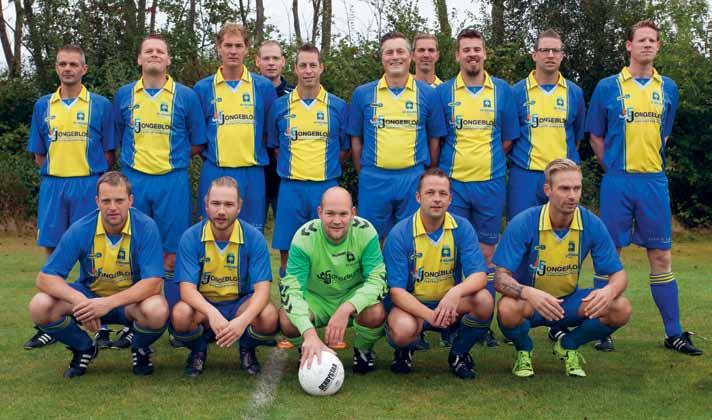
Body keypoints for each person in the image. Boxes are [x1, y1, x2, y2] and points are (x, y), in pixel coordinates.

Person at [586, 20, 701, 355]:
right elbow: (595, 135)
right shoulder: (608, 87)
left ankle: (674, 332)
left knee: (661, 254)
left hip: (653, 181)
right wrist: (616, 169)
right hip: (617, 180)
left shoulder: (669, 88)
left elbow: (663, 135)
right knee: (609, 256)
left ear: (658, 47)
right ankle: (601, 327)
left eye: (653, 40)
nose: (647, 45)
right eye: (641, 40)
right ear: (629, 46)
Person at [493, 159, 632, 377]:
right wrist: (528, 292)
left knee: (620, 307)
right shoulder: (524, 222)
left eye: (577, 188)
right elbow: (499, 278)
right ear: (547, 190)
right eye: (564, 188)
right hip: (530, 303)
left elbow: (619, 274)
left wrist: (610, 290)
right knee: (506, 309)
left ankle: (568, 344)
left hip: (567, 302)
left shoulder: (591, 223)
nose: (572, 195)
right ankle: (524, 351)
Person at [28, 172, 168, 377]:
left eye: (119, 200)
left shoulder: (146, 226)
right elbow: (45, 278)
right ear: (97, 202)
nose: (112, 207)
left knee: (157, 309)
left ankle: (140, 348)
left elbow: (153, 283)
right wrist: (80, 301)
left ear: (130, 200)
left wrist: (107, 303)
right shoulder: (81, 228)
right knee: (39, 306)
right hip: (90, 296)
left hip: (130, 302)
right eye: (106, 201)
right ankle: (84, 347)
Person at [25, 45, 116, 350]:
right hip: (54, 185)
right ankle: (53, 322)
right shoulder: (42, 105)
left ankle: (99, 322)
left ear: (84, 69)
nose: (68, 69)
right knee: (53, 253)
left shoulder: (100, 105)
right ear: (56, 68)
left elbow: (108, 153)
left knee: (93, 252)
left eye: (74, 64)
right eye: (63, 64)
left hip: (88, 185)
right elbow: (39, 154)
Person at [112, 34, 206, 311]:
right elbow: (117, 138)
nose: (154, 55)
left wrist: (170, 158)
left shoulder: (186, 96)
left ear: (168, 60)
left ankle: (175, 316)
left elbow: (199, 142)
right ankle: (132, 315)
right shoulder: (124, 94)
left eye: (160, 51)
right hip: (135, 180)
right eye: (149, 51)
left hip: (172, 181)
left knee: (172, 254)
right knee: (132, 249)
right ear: (140, 59)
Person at [437, 28, 518, 346]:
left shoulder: (502, 91)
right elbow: (438, 139)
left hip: (490, 183)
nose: (472, 54)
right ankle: (450, 321)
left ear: (485, 54)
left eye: (477, 49)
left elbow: (508, 139)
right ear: (457, 55)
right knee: (453, 255)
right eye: (466, 49)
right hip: (453, 185)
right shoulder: (443, 92)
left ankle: (480, 322)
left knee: (486, 255)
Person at [384, 168, 493, 379]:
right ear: (418, 197)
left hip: (449, 304)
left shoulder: (462, 227)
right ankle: (405, 349)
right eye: (430, 193)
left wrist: (455, 293)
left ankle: (459, 353)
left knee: (484, 301)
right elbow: (396, 292)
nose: (437, 199)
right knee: (401, 330)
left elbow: (479, 275)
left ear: (450, 199)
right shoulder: (400, 233)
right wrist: (430, 316)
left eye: (443, 194)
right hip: (413, 306)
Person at [170, 177, 278, 377]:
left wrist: (243, 320)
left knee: (269, 316)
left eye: (228, 204)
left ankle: (246, 348)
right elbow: (186, 289)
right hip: (205, 306)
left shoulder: (253, 237)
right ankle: (198, 349)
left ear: (239, 207)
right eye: (216, 203)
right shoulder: (191, 237)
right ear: (206, 205)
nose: (221, 211)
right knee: (180, 315)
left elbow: (263, 291)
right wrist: (211, 313)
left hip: (240, 304)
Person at [348, 31, 447, 241]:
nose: (395, 56)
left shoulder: (428, 93)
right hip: (374, 178)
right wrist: (363, 172)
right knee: (372, 240)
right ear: (381, 57)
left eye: (400, 51)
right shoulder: (363, 93)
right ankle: (376, 275)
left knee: (411, 237)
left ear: (410, 56)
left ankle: (407, 275)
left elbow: (435, 139)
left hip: (412, 177)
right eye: (389, 52)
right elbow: (356, 139)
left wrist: (426, 172)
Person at [279, 187, 388, 374]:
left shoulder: (366, 232)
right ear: (319, 212)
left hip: (350, 296)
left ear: (353, 213)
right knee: (287, 319)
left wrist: (347, 307)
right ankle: (307, 347)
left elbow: (378, 281)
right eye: (330, 213)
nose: (337, 221)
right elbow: (291, 291)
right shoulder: (303, 238)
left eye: (343, 214)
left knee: (375, 312)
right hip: (316, 299)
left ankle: (363, 350)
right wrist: (309, 333)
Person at [267, 44, 349, 278]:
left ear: (321, 68)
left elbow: (344, 149)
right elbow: (275, 147)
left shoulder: (338, 106)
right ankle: (290, 308)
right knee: (288, 251)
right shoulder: (280, 106)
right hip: (291, 187)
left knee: (329, 249)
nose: (308, 70)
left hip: (326, 186)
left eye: (313, 65)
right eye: (303, 65)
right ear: (295, 69)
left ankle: (327, 304)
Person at [194, 23, 277, 233]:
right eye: (228, 45)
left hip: (252, 172)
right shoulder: (203, 88)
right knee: (209, 233)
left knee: (250, 234)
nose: (233, 51)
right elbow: (199, 137)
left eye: (238, 45)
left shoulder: (263, 87)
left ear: (247, 49)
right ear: (218, 47)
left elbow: (269, 134)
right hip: (215, 169)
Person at [508, 29, 585, 220]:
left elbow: (576, 137)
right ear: (534, 54)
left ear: (562, 56)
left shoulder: (574, 92)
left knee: (562, 233)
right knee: (521, 233)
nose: (550, 55)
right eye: (544, 50)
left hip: (563, 176)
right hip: (526, 176)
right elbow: (509, 136)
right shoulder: (515, 92)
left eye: (555, 51)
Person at [256, 40, 294, 225]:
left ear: (283, 61)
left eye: (275, 58)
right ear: (257, 62)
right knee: (250, 232)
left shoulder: (296, 95)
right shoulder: (246, 91)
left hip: (286, 177)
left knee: (290, 237)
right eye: (266, 58)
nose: (271, 63)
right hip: (255, 174)